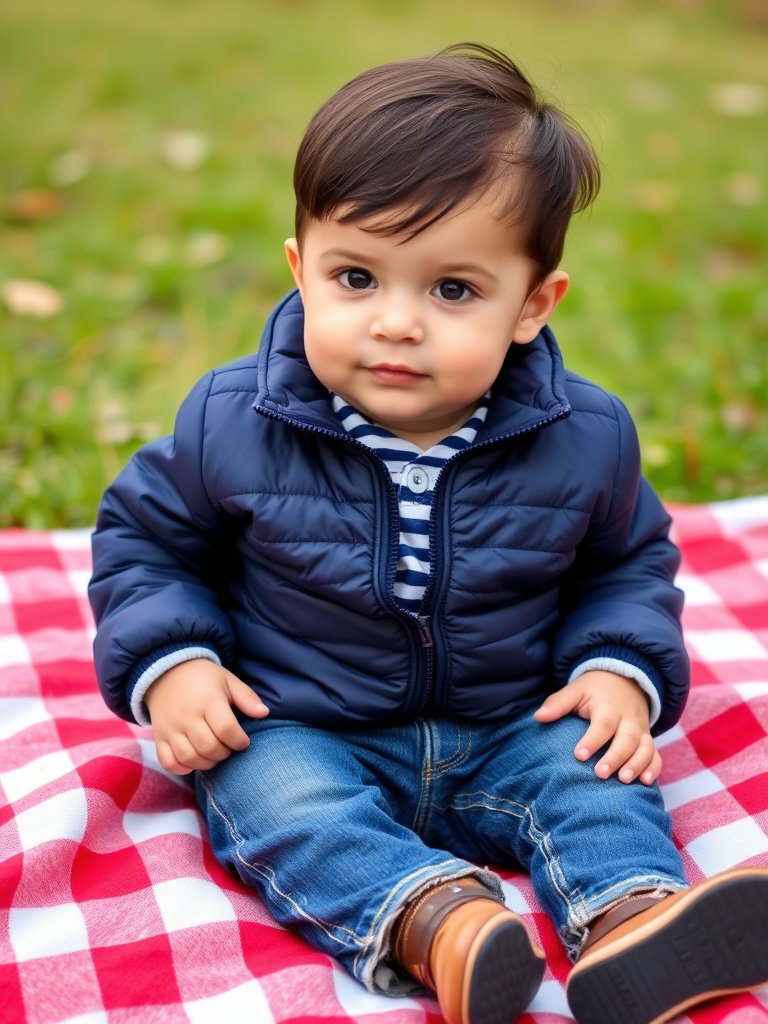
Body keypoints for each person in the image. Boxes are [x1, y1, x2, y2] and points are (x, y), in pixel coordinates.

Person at [89, 43, 768, 1024]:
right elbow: (148, 543)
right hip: (303, 718)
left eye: (452, 291)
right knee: (273, 798)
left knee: (595, 770)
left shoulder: (586, 437)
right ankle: (435, 923)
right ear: (301, 268)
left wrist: (620, 665)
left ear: (533, 304)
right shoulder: (231, 420)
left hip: (509, 718)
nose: (396, 323)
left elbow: (629, 563)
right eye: (357, 277)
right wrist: (176, 660)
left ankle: (633, 920)